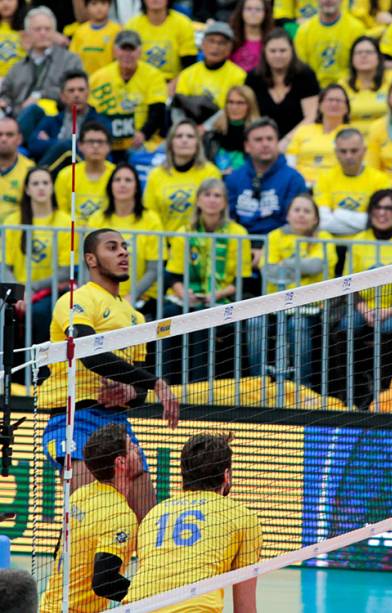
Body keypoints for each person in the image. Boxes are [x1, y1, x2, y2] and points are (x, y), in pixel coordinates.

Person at [36, 228, 179, 520]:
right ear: (91, 259)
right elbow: (90, 354)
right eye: (112, 248)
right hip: (73, 418)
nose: (123, 252)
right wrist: (152, 383)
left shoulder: (136, 317)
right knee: (88, 520)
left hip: (117, 424)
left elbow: (137, 386)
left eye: (124, 247)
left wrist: (132, 392)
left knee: (147, 523)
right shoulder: (76, 299)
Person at [123, 433, 262, 612]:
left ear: (184, 476)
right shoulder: (242, 517)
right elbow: (245, 608)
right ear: (226, 476)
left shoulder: (154, 514)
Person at [38, 424, 140, 613]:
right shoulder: (120, 514)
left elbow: (59, 549)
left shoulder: (80, 495)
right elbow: (104, 582)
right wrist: (150, 593)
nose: (138, 451)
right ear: (121, 463)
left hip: (49, 607)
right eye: (132, 448)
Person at [164, 179, 252, 382]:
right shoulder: (184, 232)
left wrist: (216, 295)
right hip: (186, 298)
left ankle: (197, 387)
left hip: (223, 299)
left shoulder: (238, 233)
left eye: (217, 195)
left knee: (203, 320)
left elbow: (242, 281)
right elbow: (172, 275)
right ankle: (164, 382)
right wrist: (184, 293)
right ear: (198, 200)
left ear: (225, 202)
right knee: (167, 316)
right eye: (207, 195)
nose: (212, 200)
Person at [247, 194, 337, 384]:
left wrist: (285, 263)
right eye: (296, 210)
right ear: (287, 215)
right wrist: (301, 269)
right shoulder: (274, 236)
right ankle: (257, 382)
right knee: (254, 322)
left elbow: (317, 266)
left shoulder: (325, 237)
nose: (301, 215)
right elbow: (269, 271)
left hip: (311, 307)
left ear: (315, 218)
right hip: (275, 304)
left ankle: (302, 384)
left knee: (297, 325)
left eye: (307, 211)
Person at [340, 189, 392, 333]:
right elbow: (348, 283)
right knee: (348, 325)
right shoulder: (358, 240)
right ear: (370, 211)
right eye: (377, 207)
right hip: (362, 307)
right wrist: (364, 309)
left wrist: (391, 310)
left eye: (389, 208)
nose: (382, 213)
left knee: (388, 328)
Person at [2, 167, 68, 345]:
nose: (41, 187)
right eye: (35, 183)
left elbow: (65, 271)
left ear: (52, 187)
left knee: (39, 314)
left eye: (45, 183)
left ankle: (40, 371)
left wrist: (31, 288)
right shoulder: (13, 221)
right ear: (27, 189)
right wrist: (18, 293)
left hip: (50, 290)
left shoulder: (64, 221)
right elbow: (5, 265)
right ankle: (7, 371)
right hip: (17, 290)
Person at [87, 164, 165, 313]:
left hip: (142, 299)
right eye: (117, 180)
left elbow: (154, 269)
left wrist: (131, 297)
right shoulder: (97, 219)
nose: (122, 184)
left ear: (136, 187)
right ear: (110, 186)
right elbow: (89, 263)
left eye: (128, 180)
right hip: (101, 298)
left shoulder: (151, 219)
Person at [88, 29, 168, 159]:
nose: (127, 54)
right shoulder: (98, 77)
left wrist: (143, 134)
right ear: (115, 50)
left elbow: (158, 111)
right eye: (123, 49)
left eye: (131, 49)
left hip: (141, 140)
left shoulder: (153, 75)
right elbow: (90, 112)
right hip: (107, 140)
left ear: (140, 51)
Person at [227, 117, 308, 238]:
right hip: (240, 245)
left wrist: (268, 249)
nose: (265, 144)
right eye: (258, 140)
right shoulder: (234, 178)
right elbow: (228, 219)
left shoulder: (294, 179)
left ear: (277, 142)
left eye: (270, 139)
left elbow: (294, 224)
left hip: (280, 248)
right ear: (247, 146)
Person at [0, 7, 83, 117]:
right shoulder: (18, 66)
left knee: (34, 110)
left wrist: (39, 95)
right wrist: (5, 103)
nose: (43, 33)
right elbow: (5, 94)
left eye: (47, 29)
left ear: (54, 32)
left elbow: (77, 92)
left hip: (58, 120)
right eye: (38, 29)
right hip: (18, 122)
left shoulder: (71, 61)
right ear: (27, 33)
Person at [143, 119, 222, 233]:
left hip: (200, 244)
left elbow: (215, 212)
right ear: (171, 143)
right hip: (164, 244)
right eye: (179, 136)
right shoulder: (155, 175)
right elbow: (150, 215)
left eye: (190, 136)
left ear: (197, 143)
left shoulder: (210, 172)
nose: (184, 140)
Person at [244, 28, 320, 142]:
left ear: (292, 51)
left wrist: (285, 142)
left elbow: (311, 116)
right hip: (262, 142)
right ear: (264, 52)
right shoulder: (253, 78)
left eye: (283, 50)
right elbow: (250, 116)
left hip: (299, 141)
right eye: (273, 51)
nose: (278, 55)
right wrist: (267, 141)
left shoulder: (306, 75)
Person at [314, 127, 391, 237]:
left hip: (368, 246)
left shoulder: (380, 180)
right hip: (332, 246)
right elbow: (323, 222)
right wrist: (362, 220)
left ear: (364, 151)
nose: (348, 156)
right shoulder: (324, 178)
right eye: (343, 151)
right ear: (336, 152)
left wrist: (339, 214)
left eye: (354, 151)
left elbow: (379, 221)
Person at [172, 21, 246, 126]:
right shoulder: (187, 74)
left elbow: (234, 110)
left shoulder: (239, 76)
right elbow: (178, 106)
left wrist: (205, 128)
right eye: (211, 41)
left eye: (222, 43)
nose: (215, 47)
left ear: (230, 47)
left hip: (223, 127)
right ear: (202, 44)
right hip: (190, 129)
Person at [29, 70, 107, 169]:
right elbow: (34, 145)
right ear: (62, 96)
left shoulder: (100, 122)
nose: (76, 95)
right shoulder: (52, 120)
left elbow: (100, 150)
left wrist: (57, 143)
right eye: (71, 90)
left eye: (81, 90)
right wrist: (70, 144)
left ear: (88, 93)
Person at [282, 84, 352, 187]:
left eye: (339, 101)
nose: (334, 104)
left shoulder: (351, 134)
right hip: (302, 186)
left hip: (335, 187)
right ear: (319, 105)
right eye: (330, 100)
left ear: (347, 108)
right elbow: (290, 160)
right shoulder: (303, 130)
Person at [54, 121, 115, 226]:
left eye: (100, 142)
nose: (95, 146)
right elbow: (61, 213)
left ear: (109, 146)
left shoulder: (117, 176)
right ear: (80, 145)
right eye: (90, 141)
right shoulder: (66, 175)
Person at [293, 0, 365, 88]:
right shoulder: (303, 31)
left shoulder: (356, 29)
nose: (328, 1)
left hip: (348, 89)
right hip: (314, 90)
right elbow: (300, 70)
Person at [125, 0, 197, 86]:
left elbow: (190, 66)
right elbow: (126, 63)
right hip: (140, 84)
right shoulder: (132, 25)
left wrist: (173, 86)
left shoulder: (183, 23)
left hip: (174, 83)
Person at [340, 37, 392, 136]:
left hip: (386, 137)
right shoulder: (343, 84)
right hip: (351, 143)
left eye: (369, 52)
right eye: (358, 53)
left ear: (378, 57)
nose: (363, 56)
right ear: (352, 58)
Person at [205, 85, 261, 175]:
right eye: (230, 102)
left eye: (240, 103)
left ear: (250, 106)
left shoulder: (259, 135)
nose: (234, 107)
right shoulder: (212, 135)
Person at [69, 0, 121, 77]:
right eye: (94, 4)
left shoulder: (117, 30)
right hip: (85, 80)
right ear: (86, 7)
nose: (99, 8)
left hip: (108, 79)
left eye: (103, 3)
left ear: (109, 6)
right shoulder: (80, 32)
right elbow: (72, 57)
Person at [0, 117, 34, 221]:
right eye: (0, 134)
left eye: (9, 135)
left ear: (19, 139)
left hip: (16, 233)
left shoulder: (30, 169)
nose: (3, 139)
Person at [229, 0, 273, 72]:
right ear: (241, 12)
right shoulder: (231, 37)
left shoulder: (272, 38)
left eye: (258, 9)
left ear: (265, 13)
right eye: (249, 9)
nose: (253, 13)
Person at [0, 0, 25, 81]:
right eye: (1, 0)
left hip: (20, 82)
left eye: (10, 0)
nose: (5, 3)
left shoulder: (29, 27)